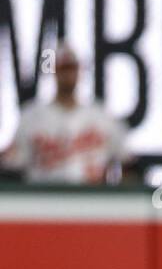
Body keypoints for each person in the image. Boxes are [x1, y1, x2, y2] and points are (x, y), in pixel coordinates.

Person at [0, 44, 134, 184]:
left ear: (79, 70)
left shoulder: (101, 115)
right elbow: (11, 166)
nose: (67, 74)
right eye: (63, 68)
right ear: (54, 71)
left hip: (92, 199)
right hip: (44, 199)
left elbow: (128, 164)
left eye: (71, 68)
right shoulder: (31, 116)